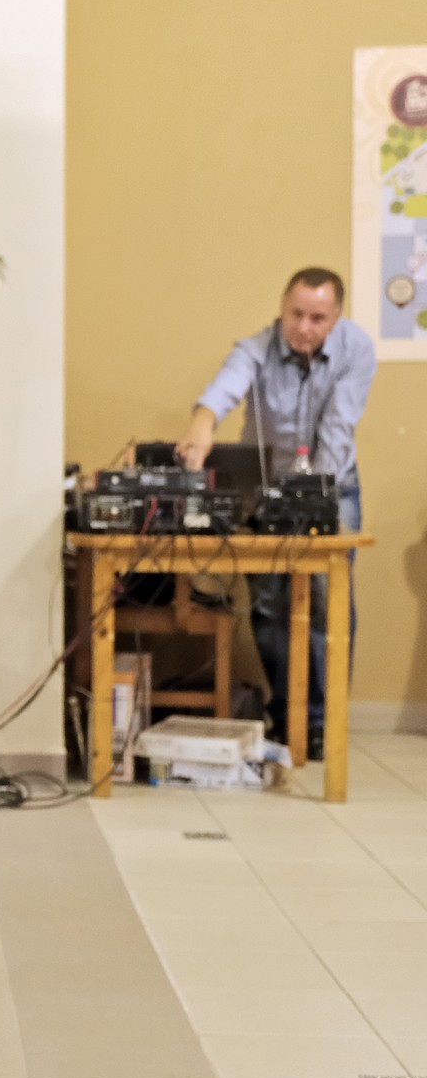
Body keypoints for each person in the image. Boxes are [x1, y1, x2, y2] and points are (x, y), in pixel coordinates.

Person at [175, 267, 376, 751]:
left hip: (331, 483)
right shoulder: (256, 348)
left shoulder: (357, 350)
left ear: (336, 318)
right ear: (282, 309)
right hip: (264, 487)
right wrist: (202, 423)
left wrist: (311, 500)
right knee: (268, 604)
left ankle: (323, 722)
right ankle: (288, 712)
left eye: (317, 319)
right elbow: (225, 387)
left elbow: (338, 427)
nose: (304, 327)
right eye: (295, 314)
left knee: (326, 600)